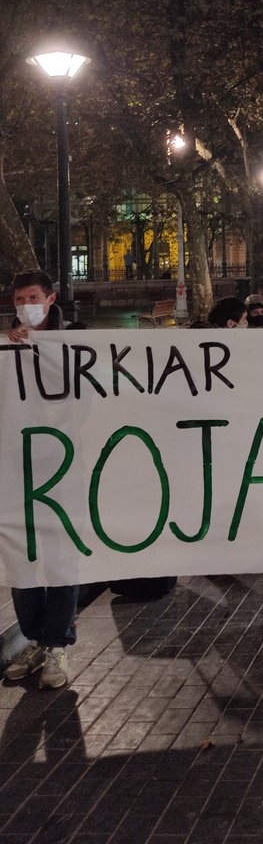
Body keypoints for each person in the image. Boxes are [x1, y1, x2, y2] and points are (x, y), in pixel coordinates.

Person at [4, 271, 79, 689]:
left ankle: (58, 645)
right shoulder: (7, 344)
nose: (25, 304)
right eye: (18, 298)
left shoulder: (76, 342)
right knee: (22, 556)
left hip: (63, 466)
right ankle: (34, 638)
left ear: (50, 299)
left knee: (61, 557)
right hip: (17, 467)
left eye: (32, 296)